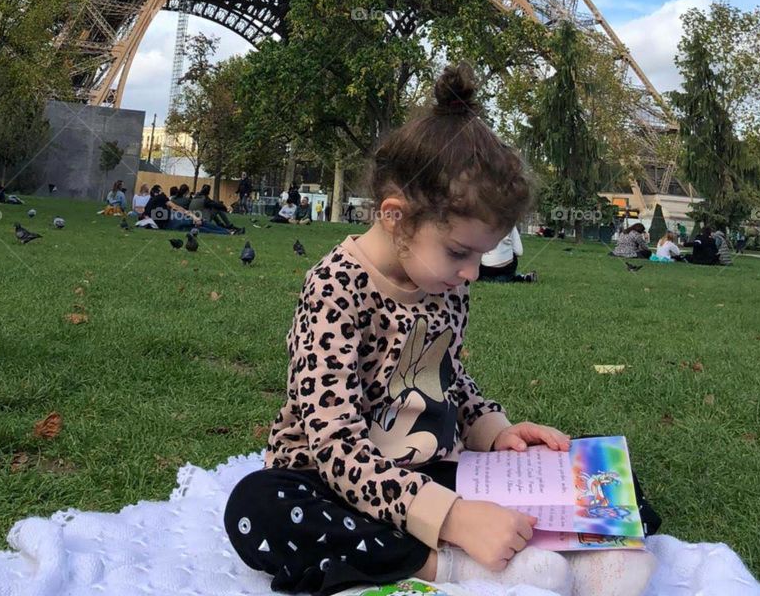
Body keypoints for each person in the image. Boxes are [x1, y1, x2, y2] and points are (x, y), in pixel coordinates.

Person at [223, 62, 659, 596]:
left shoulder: (447, 284)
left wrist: (495, 432)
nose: (473, 273)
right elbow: (334, 443)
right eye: (460, 252)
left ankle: (562, 549)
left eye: (481, 254)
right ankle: (447, 565)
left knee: (610, 482)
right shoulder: (334, 288)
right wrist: (452, 519)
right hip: (334, 480)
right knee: (256, 509)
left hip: (429, 468)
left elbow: (445, 379)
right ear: (395, 217)